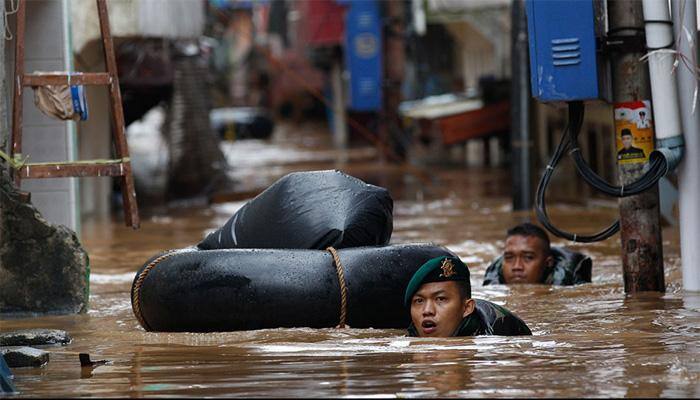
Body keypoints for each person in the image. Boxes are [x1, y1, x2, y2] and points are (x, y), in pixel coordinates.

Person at [405, 255, 531, 337]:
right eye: (419, 300)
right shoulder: (411, 332)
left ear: (467, 308)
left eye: (441, 299)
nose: (427, 311)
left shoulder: (500, 330)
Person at [483, 223, 592, 286]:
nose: (517, 267)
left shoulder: (570, 282)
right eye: (509, 258)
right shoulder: (492, 281)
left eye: (528, 257)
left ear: (548, 262)